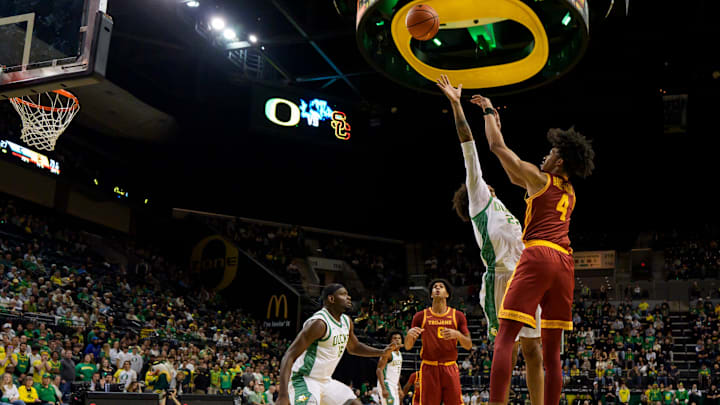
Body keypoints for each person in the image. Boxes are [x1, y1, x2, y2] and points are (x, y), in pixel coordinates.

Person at [469, 90, 595, 405]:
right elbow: (514, 174)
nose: (545, 156)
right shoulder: (569, 191)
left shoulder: (542, 180)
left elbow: (498, 148)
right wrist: (499, 127)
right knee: (551, 353)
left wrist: (488, 114)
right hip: (565, 263)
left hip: (539, 254)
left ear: (560, 160)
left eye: (551, 152)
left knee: (504, 339)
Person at [438, 74, 544, 405]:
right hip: (501, 280)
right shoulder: (478, 197)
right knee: (507, 350)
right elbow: (468, 143)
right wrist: (456, 104)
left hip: (526, 276)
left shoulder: (499, 206)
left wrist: (495, 120)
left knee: (534, 350)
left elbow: (504, 153)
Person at [276, 284, 396, 405]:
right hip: (304, 379)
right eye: (343, 294)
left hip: (326, 381)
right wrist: (282, 395)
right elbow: (289, 356)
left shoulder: (346, 321)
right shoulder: (319, 323)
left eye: (347, 294)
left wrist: (381, 352)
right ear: (331, 299)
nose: (348, 297)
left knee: (355, 403)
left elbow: (354, 347)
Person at [404, 279, 472, 405]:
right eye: (435, 287)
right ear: (431, 294)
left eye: (441, 287)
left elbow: (468, 345)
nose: (437, 288)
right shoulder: (420, 316)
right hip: (429, 367)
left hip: (450, 366)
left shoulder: (457, 316)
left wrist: (457, 334)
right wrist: (408, 336)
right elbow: (408, 346)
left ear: (447, 294)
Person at [376, 332, 403, 405]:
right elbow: (379, 370)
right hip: (386, 384)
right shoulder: (388, 353)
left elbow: (396, 374)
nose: (397, 340)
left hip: (394, 385)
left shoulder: (399, 354)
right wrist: (383, 388)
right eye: (394, 338)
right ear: (390, 341)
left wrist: (399, 388)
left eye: (399, 338)